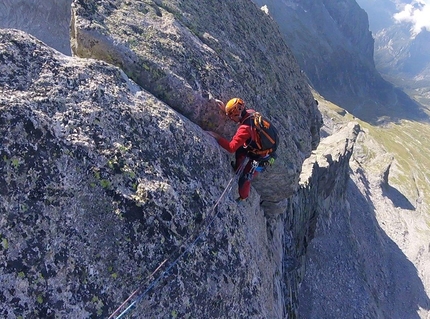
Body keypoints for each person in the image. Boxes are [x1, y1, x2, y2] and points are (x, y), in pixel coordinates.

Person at [207, 98, 277, 202]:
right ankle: (237, 169)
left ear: (237, 114)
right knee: (240, 149)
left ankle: (243, 197)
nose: (231, 119)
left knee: (245, 178)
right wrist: (226, 111)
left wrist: (216, 137)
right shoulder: (251, 113)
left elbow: (231, 148)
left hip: (263, 159)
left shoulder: (244, 129)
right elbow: (238, 118)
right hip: (261, 149)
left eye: (231, 116)